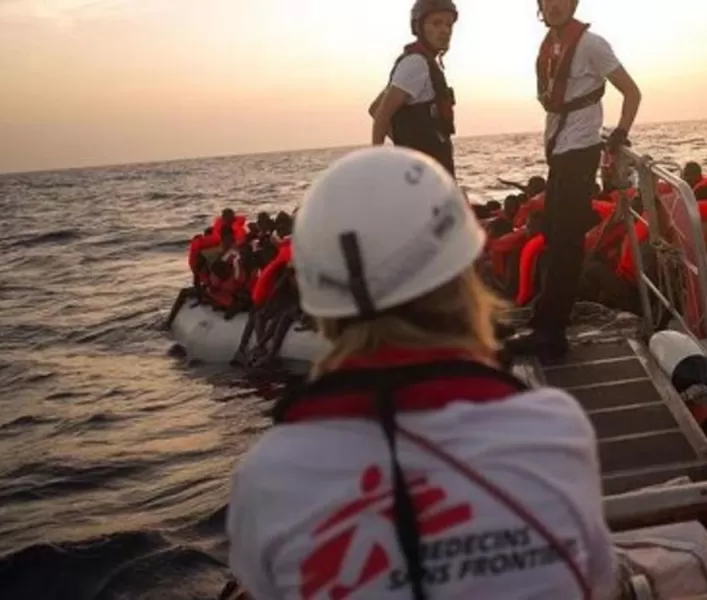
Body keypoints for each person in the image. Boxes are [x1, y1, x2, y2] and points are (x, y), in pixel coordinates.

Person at [226, 147, 617, 600]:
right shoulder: (554, 429)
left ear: (318, 303)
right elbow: (598, 585)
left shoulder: (267, 477)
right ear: (466, 277)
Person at [505, 0, 642, 359]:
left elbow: (631, 91)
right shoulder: (551, 45)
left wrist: (620, 133)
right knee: (552, 234)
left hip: (580, 152)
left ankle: (551, 334)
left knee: (566, 242)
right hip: (559, 150)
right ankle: (546, 314)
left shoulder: (592, 44)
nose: (553, 5)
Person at [369, 0, 459, 177]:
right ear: (419, 27)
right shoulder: (416, 64)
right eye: (436, 23)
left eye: (449, 24)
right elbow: (381, 114)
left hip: (428, 170)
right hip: (424, 175)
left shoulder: (422, 63)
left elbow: (374, 108)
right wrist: (378, 165)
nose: (445, 30)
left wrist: (407, 144)